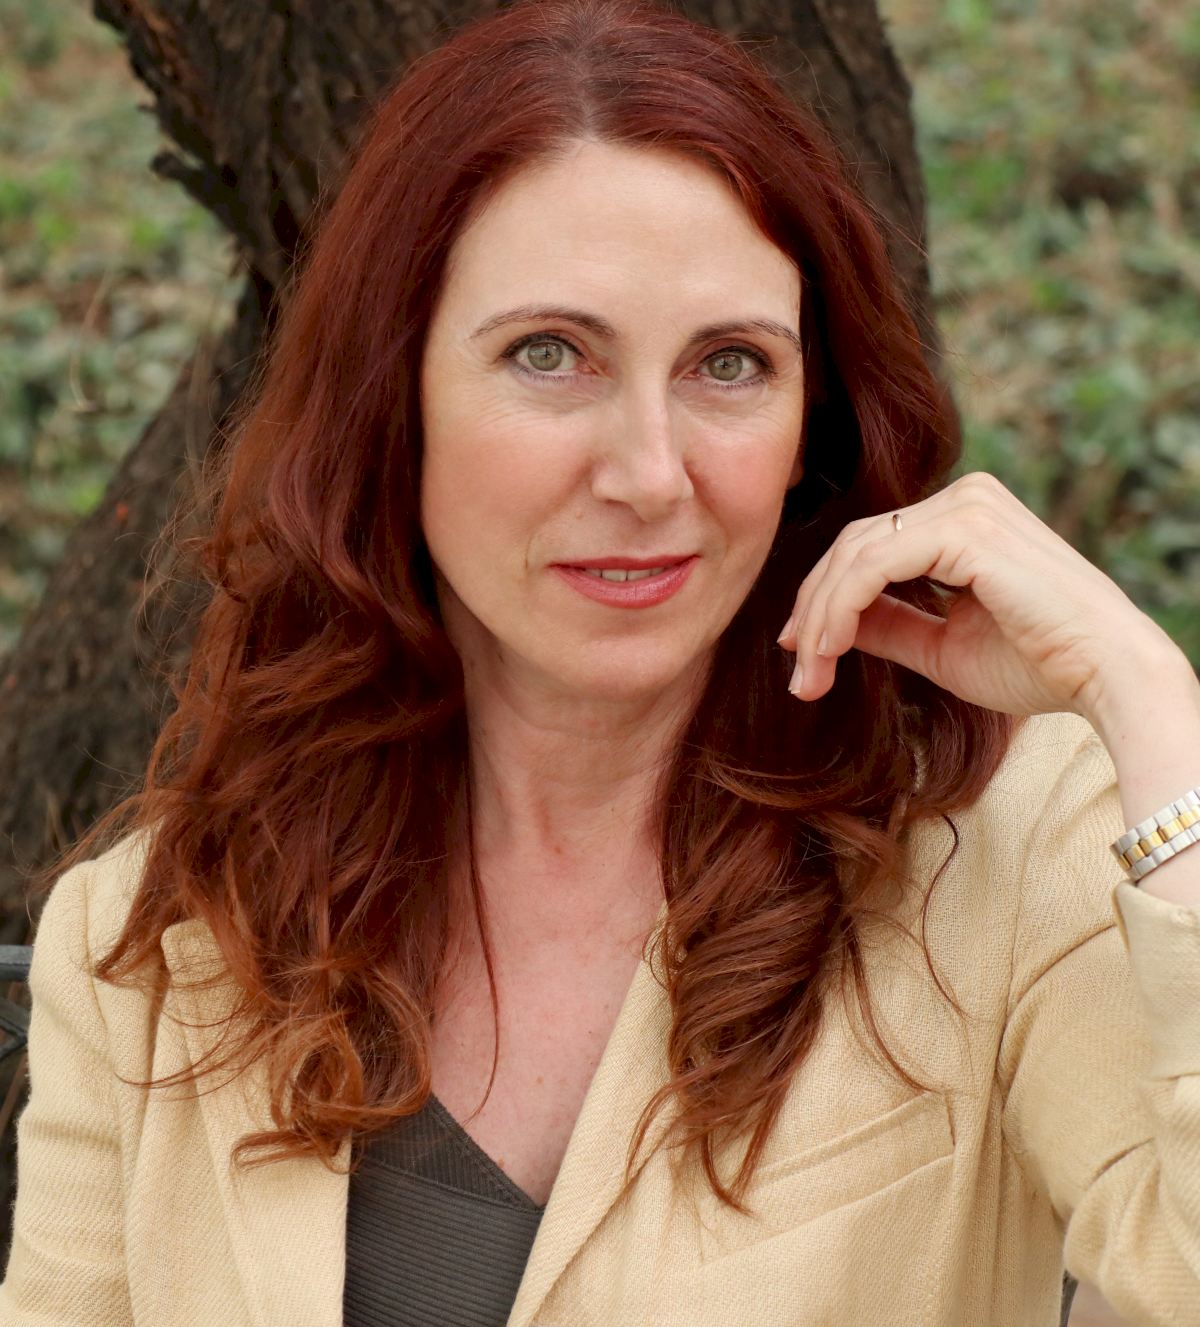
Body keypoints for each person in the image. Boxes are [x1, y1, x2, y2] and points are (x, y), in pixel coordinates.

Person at [3, 0, 1199, 1323]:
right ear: (393, 397)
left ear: (812, 419)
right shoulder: (155, 942)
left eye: (729, 363)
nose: (648, 474)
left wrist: (1152, 701)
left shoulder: (1003, 849)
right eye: (550, 355)